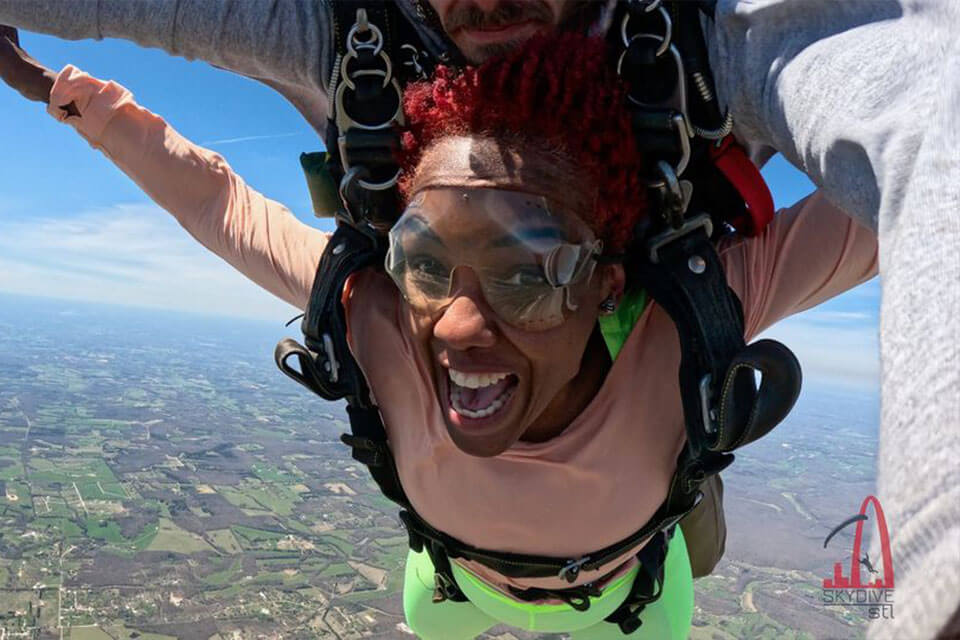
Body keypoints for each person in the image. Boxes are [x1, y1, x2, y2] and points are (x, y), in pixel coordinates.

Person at [3, 5, 959, 639]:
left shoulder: (684, 315)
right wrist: (84, 106)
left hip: (627, 601)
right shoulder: (378, 313)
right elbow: (223, 209)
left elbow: (906, 190)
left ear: (604, 279)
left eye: (530, 271)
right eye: (423, 263)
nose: (456, 327)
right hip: (454, 585)